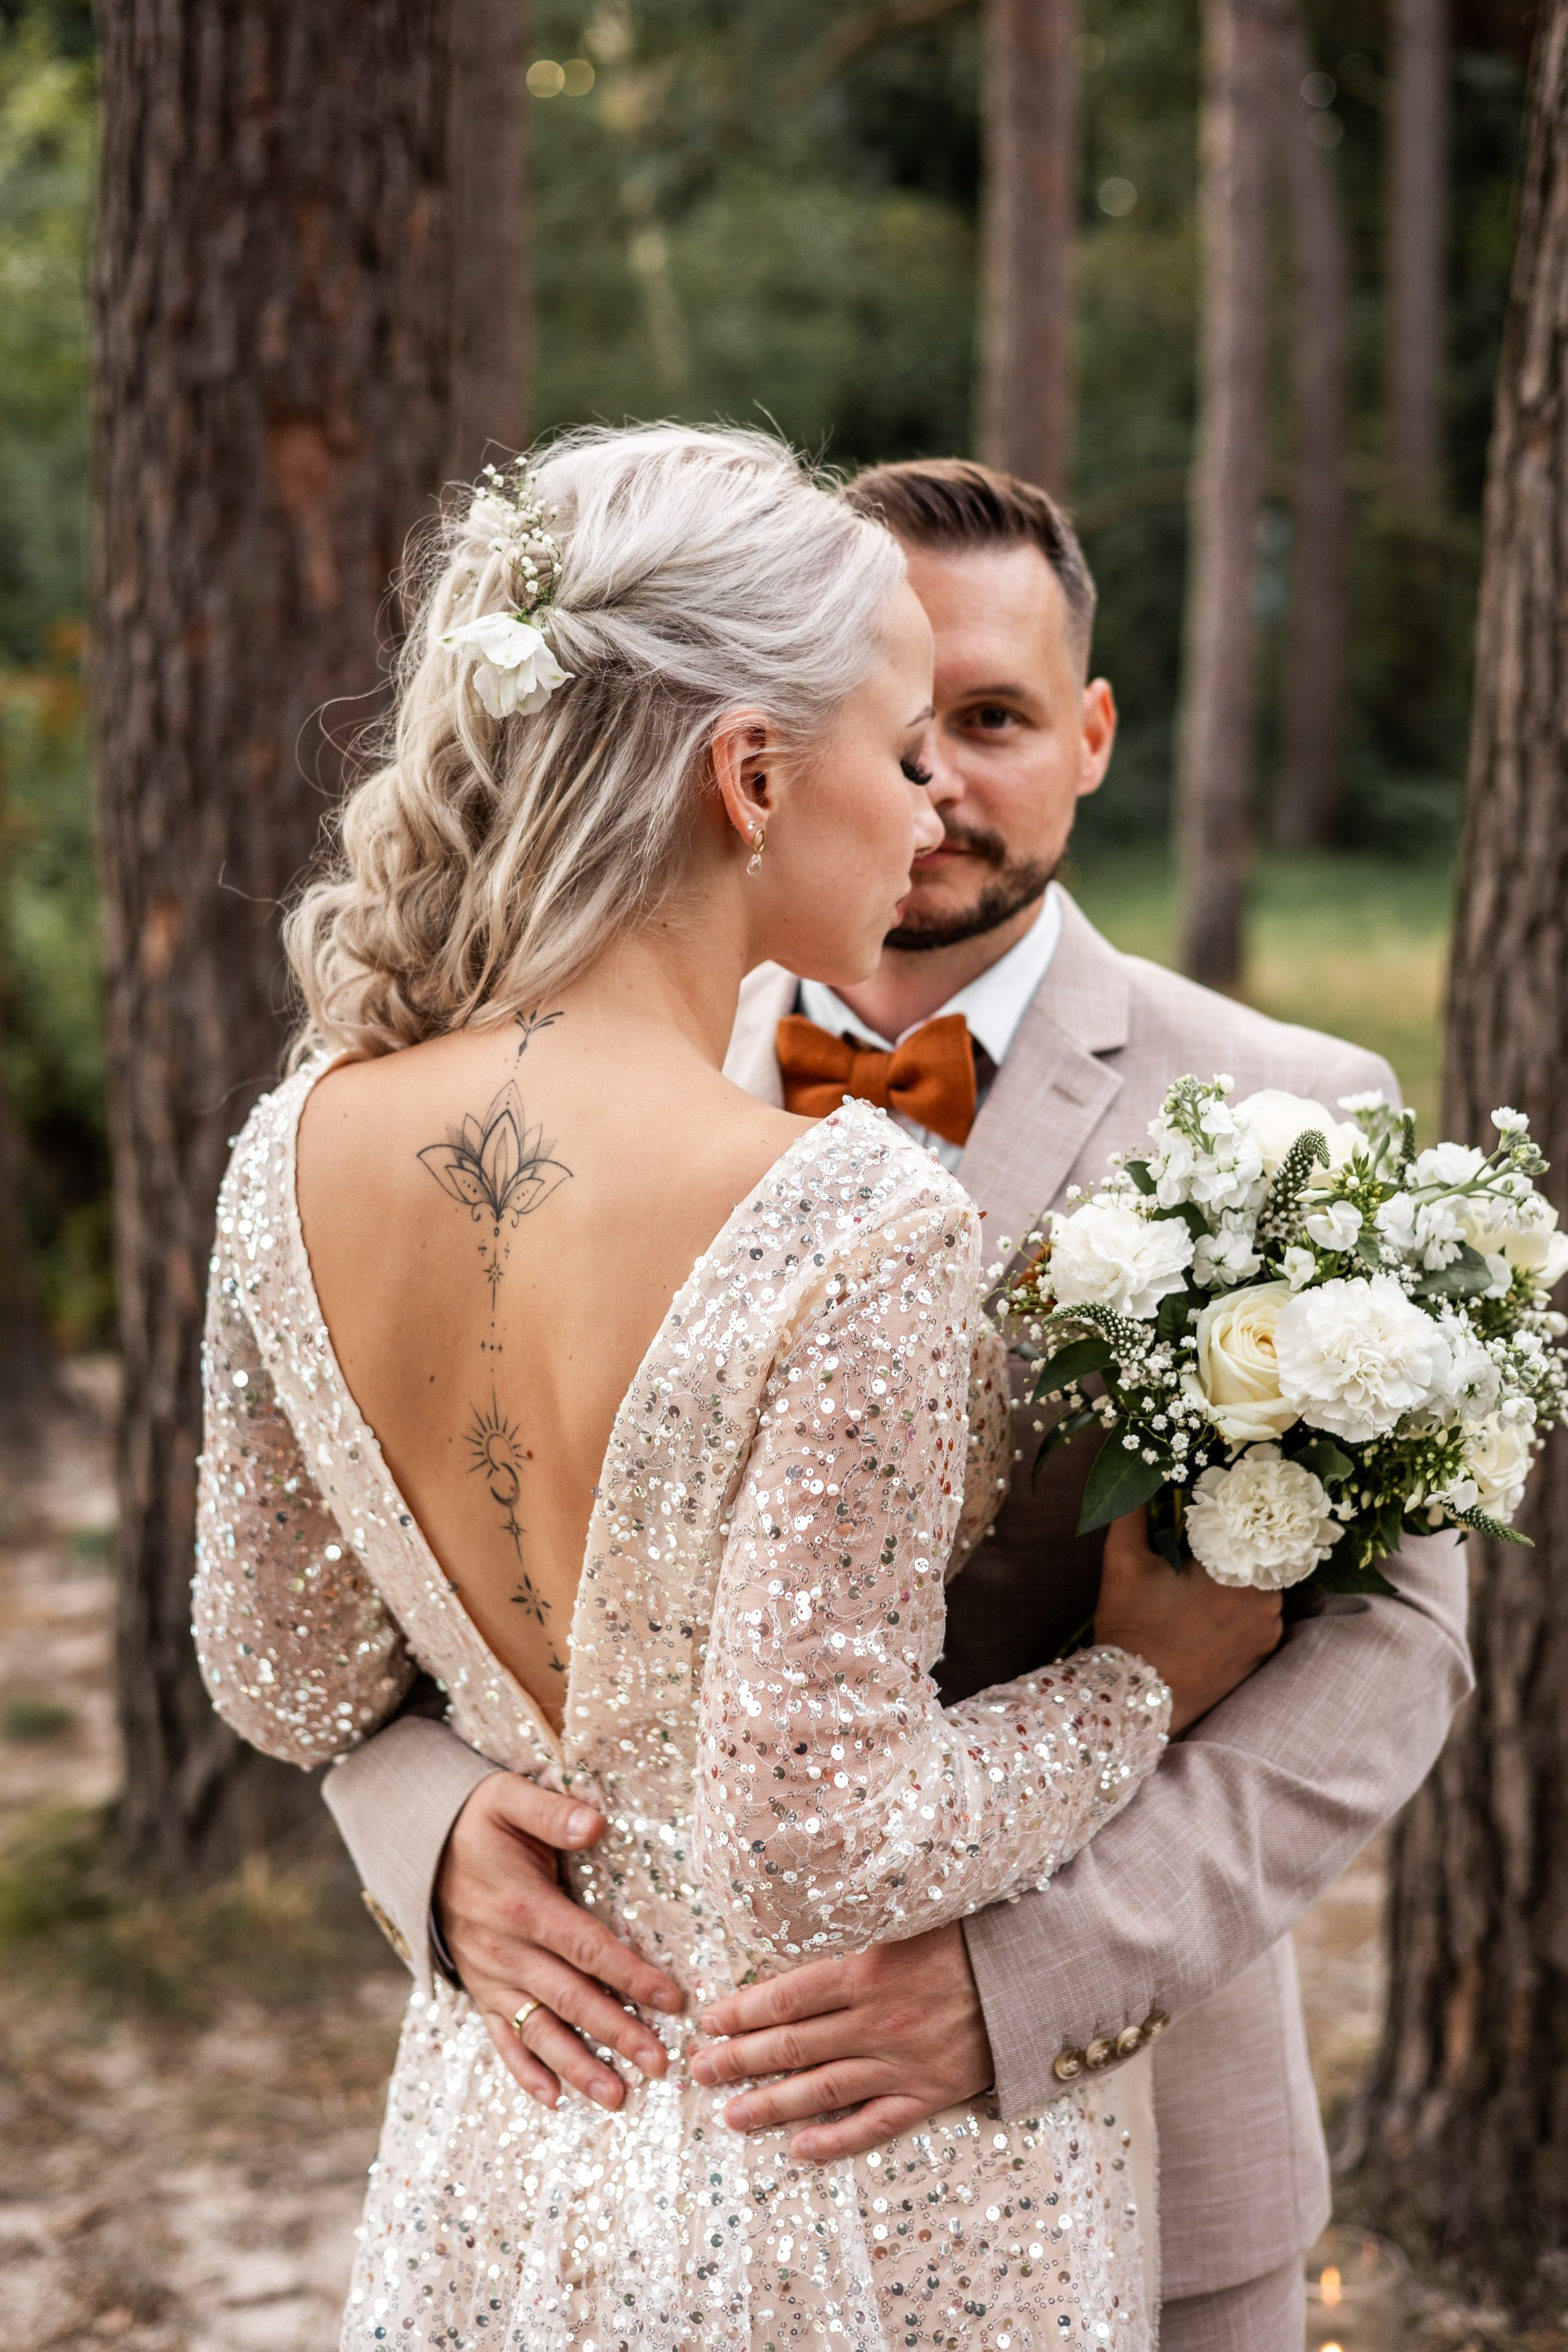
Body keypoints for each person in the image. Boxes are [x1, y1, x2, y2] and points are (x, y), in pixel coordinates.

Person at [319, 456, 1474, 2350]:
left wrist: (1021, 1979)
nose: (932, 781)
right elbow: (358, 1600)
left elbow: (1388, 1651)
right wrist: (432, 1833)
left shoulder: (1294, 1114)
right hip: (613, 2140)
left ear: (1092, 735)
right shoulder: (524, 1110)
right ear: (752, 750)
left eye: (994, 721)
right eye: (893, 720)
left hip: (1141, 2129)